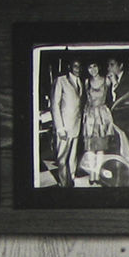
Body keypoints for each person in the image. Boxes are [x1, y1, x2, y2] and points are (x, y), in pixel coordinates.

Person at [50, 58, 83, 187]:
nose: (78, 69)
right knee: (62, 158)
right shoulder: (61, 80)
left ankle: (72, 179)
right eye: (75, 66)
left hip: (76, 126)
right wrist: (60, 128)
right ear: (70, 67)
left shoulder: (80, 81)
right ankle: (63, 185)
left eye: (80, 66)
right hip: (64, 127)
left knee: (73, 156)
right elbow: (55, 105)